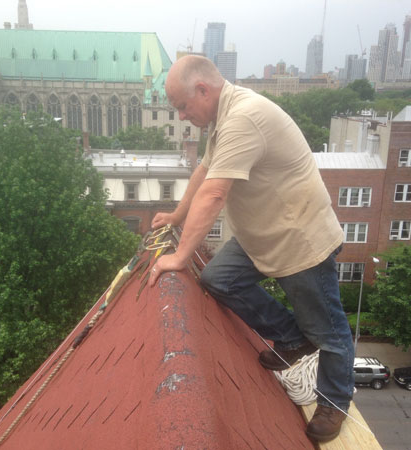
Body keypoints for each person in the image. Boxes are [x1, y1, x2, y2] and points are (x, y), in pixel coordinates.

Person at [148, 55, 354, 442]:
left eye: (182, 106)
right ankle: (292, 339)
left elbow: (213, 194)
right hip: (262, 232)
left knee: (327, 331)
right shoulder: (222, 118)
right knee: (218, 279)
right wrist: (177, 215)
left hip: (299, 238)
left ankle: (335, 400)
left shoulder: (244, 118)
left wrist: (178, 256)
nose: (180, 115)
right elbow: (204, 172)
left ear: (203, 90)